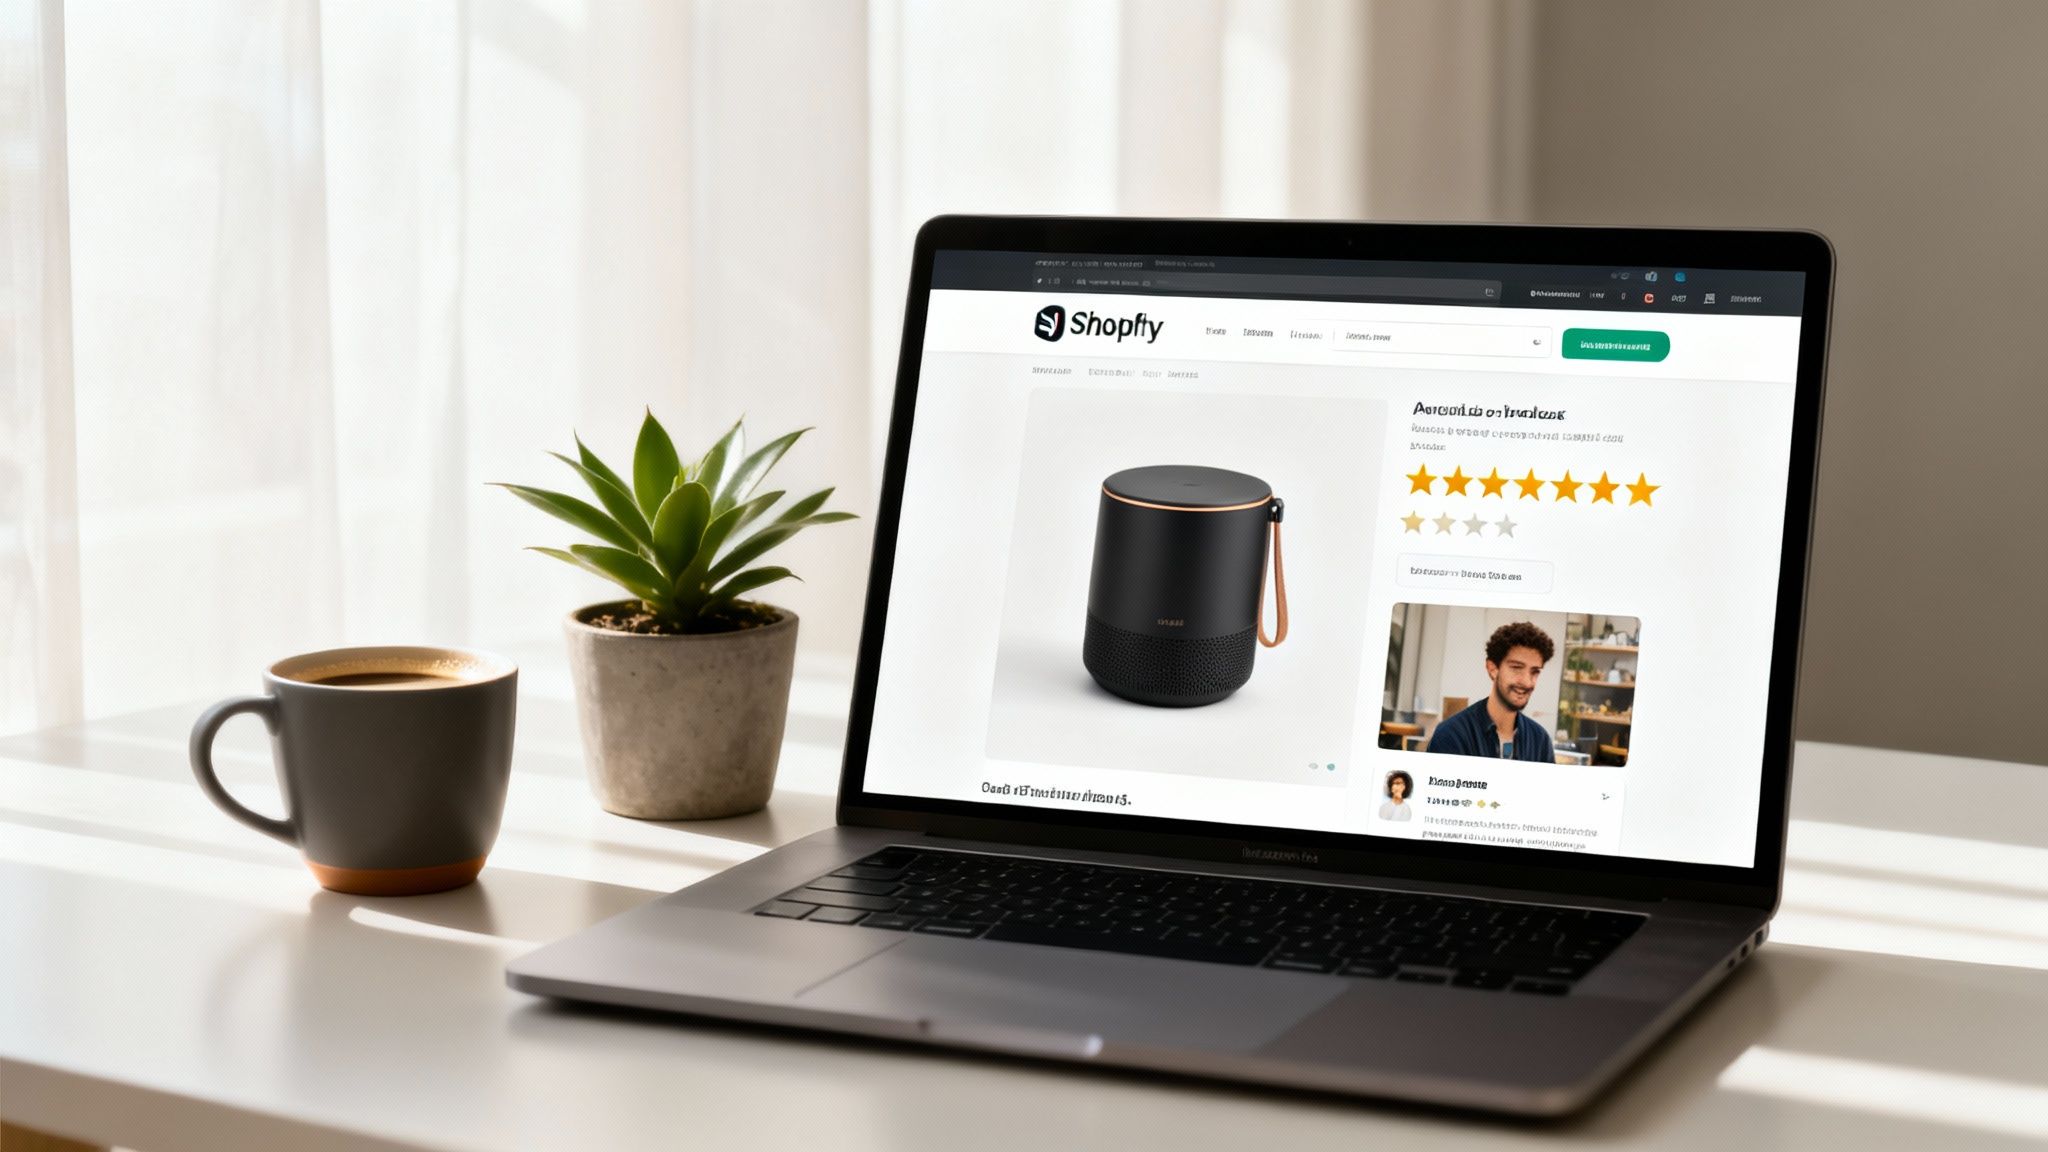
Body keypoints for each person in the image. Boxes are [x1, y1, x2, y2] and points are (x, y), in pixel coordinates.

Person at [1425, 621, 1557, 763]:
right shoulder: (1452, 735)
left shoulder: (1540, 741)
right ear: (1493, 669)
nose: (1527, 682)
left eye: (1534, 672)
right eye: (1517, 668)